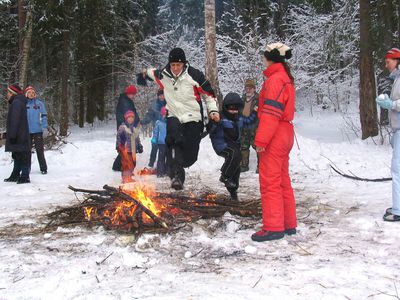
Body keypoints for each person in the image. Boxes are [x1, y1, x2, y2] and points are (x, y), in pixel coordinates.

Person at [138, 47, 220, 190]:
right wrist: (143, 74)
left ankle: (180, 166)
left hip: (193, 118)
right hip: (174, 116)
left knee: (190, 157)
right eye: (173, 65)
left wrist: (213, 111)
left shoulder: (195, 75)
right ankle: (176, 176)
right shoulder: (163, 75)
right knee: (172, 142)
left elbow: (209, 95)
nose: (175, 68)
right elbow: (151, 73)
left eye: (178, 65)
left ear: (184, 64)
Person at [251, 43, 297, 242]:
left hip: (275, 134)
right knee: (282, 180)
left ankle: (273, 227)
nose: (262, 59)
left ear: (270, 58)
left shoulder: (274, 80)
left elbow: (271, 113)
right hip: (285, 132)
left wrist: (261, 140)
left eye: (264, 56)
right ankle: (288, 223)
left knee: (270, 182)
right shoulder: (285, 78)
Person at [376, 47, 400, 222]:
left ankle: (398, 210)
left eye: (388, 61)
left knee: (397, 170)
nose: (386, 65)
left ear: (397, 61)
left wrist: (391, 104)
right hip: (398, 130)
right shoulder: (396, 79)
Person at [208, 93, 243, 201]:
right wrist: (215, 122)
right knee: (234, 154)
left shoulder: (240, 118)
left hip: (235, 145)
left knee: (237, 165)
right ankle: (225, 176)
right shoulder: (219, 116)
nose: (233, 111)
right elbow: (210, 130)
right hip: (221, 145)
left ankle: (233, 192)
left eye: (235, 109)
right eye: (230, 108)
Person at [4, 84, 31, 184]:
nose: (7, 94)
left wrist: (12, 135)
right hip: (20, 133)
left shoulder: (17, 103)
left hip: (19, 134)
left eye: (8, 92)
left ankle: (24, 176)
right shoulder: (17, 102)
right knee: (17, 154)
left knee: (22, 154)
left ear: (12, 93)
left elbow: (15, 120)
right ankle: (15, 174)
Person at [113, 85, 140, 171]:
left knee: (127, 147)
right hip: (124, 128)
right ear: (129, 93)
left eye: (134, 94)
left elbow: (133, 112)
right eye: (133, 94)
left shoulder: (127, 100)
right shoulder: (125, 102)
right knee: (125, 147)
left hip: (127, 127)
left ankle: (122, 165)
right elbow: (129, 115)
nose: (134, 96)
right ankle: (117, 166)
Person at [25, 86, 48, 174]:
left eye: (33, 93)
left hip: (38, 130)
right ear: (26, 94)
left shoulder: (39, 104)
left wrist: (44, 127)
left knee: (39, 150)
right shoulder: (24, 104)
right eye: (29, 93)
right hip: (27, 131)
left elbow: (44, 115)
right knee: (27, 151)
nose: (31, 94)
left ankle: (43, 168)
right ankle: (26, 169)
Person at [141, 89, 166, 168]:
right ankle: (151, 163)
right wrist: (142, 122)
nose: (162, 96)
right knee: (154, 147)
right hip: (156, 130)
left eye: (163, 95)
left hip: (165, 130)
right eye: (160, 95)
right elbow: (149, 115)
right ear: (158, 96)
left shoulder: (169, 103)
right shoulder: (154, 105)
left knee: (164, 149)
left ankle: (162, 165)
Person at [116, 110, 143, 184]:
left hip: (133, 150)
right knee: (126, 165)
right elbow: (118, 138)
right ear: (126, 118)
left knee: (133, 164)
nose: (130, 119)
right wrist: (118, 146)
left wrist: (140, 146)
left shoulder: (134, 129)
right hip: (125, 150)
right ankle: (125, 178)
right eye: (129, 117)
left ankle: (129, 176)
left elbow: (137, 138)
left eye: (132, 117)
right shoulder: (122, 127)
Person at [240, 79, 259, 173]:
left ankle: (261, 167)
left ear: (254, 89)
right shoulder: (242, 99)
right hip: (244, 127)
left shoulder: (259, 99)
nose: (248, 90)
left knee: (258, 147)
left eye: (250, 88)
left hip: (255, 128)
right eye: (247, 88)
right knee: (243, 147)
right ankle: (244, 166)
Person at [152, 106, 168, 177]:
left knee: (168, 158)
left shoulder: (170, 122)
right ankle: (160, 172)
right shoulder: (158, 122)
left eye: (166, 114)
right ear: (161, 114)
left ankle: (167, 171)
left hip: (168, 142)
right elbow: (155, 132)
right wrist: (154, 139)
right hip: (161, 143)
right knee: (161, 158)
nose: (165, 116)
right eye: (164, 114)